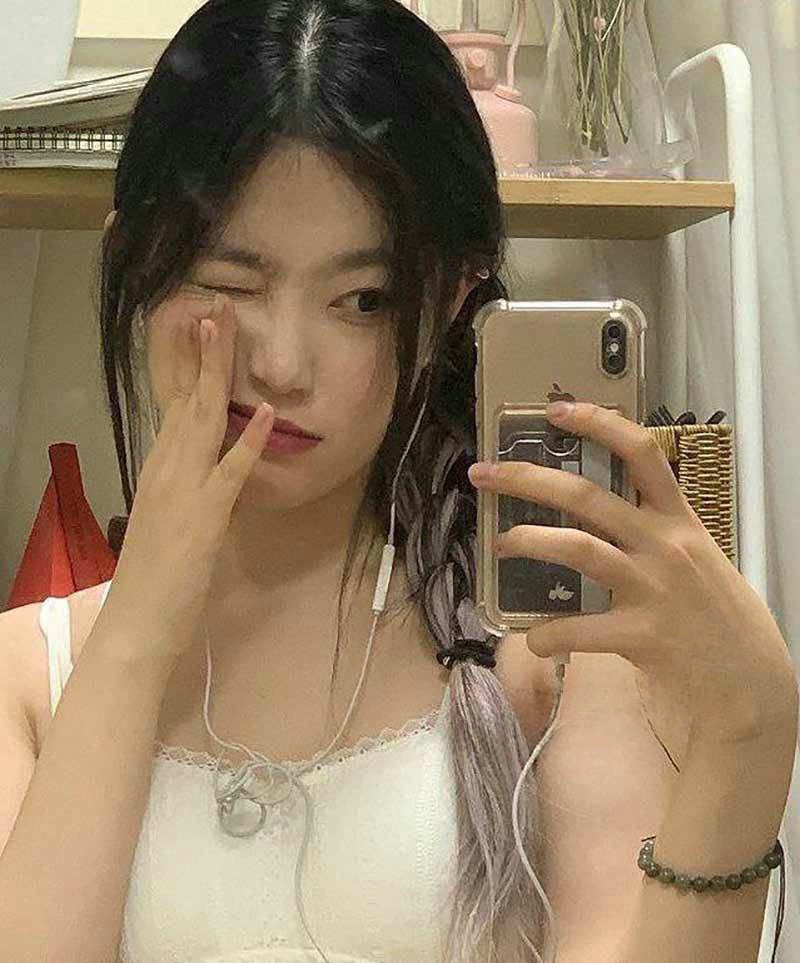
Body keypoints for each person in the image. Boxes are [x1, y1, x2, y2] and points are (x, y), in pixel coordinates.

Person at [1, 2, 795, 963]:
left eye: (363, 300)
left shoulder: (549, 656)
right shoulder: (27, 678)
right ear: (136, 263)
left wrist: (751, 736)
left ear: (448, 303)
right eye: (230, 282)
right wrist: (135, 632)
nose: (283, 364)